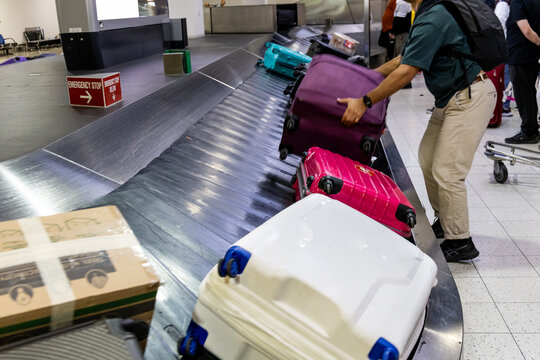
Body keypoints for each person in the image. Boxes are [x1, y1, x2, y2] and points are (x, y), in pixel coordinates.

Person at [337, 0, 497, 262]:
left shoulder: (435, 16)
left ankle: (461, 240)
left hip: (470, 96)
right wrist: (366, 76)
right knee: (427, 156)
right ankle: (445, 222)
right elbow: (404, 58)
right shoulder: (423, 14)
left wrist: (366, 100)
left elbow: (407, 71)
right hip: (449, 98)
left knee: (448, 169)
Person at [504, 0, 540, 144]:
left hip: (519, 55)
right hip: (531, 55)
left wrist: (538, 42)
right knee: (529, 93)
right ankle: (532, 129)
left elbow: (526, 30)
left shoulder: (518, 2)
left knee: (523, 95)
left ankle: (528, 132)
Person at [494, 0, 513, 117]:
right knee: (509, 78)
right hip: (510, 44)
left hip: (503, 45)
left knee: (505, 77)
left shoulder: (502, 5)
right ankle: (507, 105)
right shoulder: (510, 5)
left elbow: (498, 25)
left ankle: (505, 105)